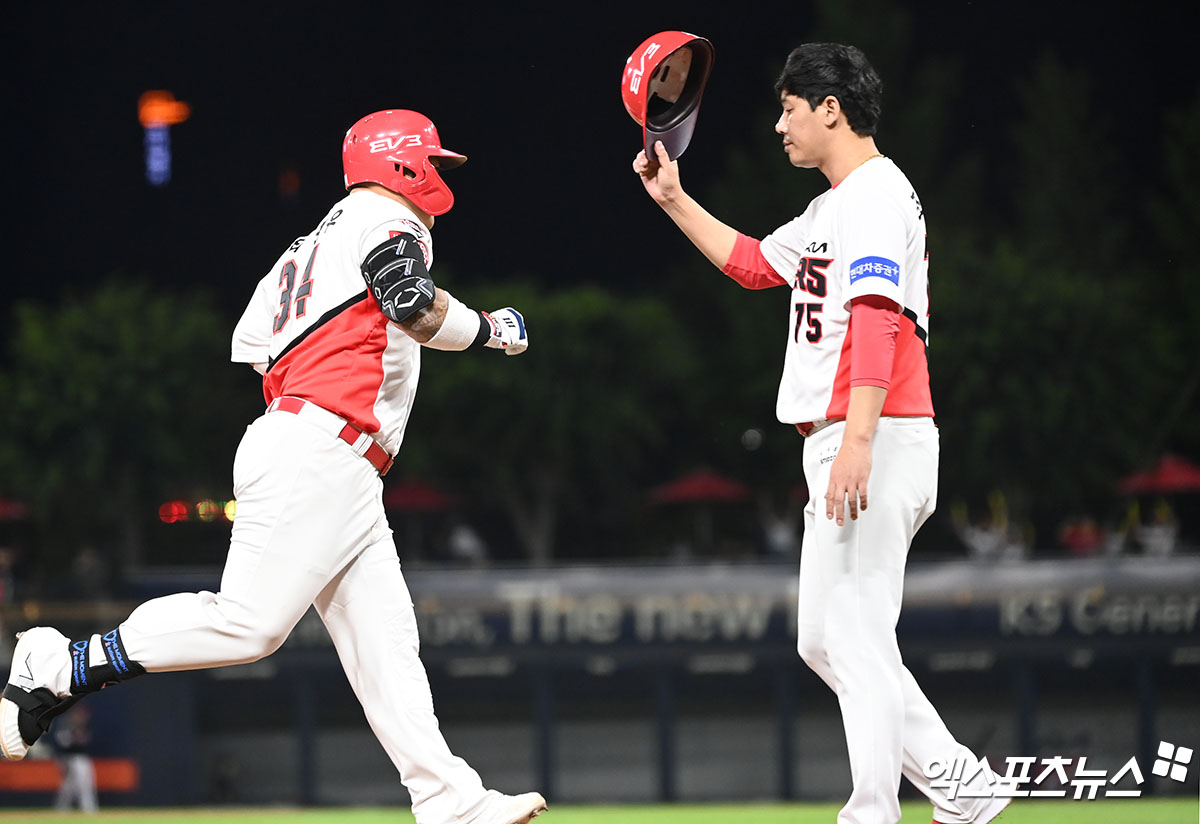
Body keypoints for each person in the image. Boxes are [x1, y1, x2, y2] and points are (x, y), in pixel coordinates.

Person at [3, 109, 546, 824]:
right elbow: (411, 305)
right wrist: (492, 330)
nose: (440, 176)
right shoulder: (385, 220)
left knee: (386, 645)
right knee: (249, 626)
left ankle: (450, 801)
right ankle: (59, 665)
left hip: (327, 455)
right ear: (401, 163)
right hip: (319, 450)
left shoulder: (310, 244)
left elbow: (261, 349)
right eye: (433, 162)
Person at [633, 44, 1007, 824]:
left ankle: (871, 809)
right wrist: (673, 199)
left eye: (789, 108)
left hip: (876, 429)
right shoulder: (834, 204)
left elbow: (877, 318)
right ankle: (964, 786)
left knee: (858, 635)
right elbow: (751, 266)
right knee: (823, 640)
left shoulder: (875, 193)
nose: (779, 125)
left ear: (829, 108)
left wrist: (860, 441)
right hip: (850, 433)